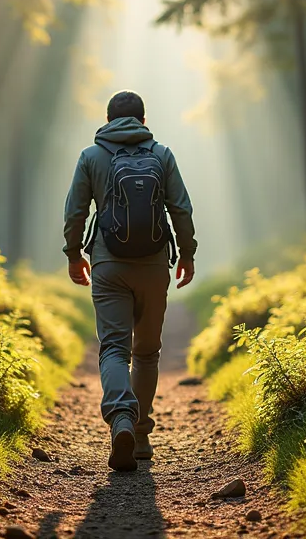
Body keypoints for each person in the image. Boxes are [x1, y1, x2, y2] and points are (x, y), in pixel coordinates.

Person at [62, 89, 197, 472]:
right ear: (142, 120)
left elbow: (75, 210)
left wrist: (74, 255)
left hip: (109, 266)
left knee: (115, 348)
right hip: (154, 266)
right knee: (147, 352)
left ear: (107, 121)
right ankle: (139, 434)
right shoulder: (162, 154)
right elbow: (181, 209)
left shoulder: (91, 156)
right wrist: (186, 254)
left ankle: (121, 417)